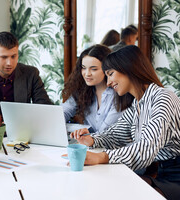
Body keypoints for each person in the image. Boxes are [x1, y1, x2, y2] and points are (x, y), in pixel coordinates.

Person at [71, 45, 180, 199]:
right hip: (161, 173)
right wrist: (92, 139)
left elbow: (145, 149)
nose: (108, 83)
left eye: (110, 74)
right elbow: (117, 133)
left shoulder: (163, 99)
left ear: (128, 69)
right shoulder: (138, 103)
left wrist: (102, 157)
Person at [61, 44, 125, 133]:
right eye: (83, 68)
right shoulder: (82, 90)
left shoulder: (119, 94)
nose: (87, 74)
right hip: (90, 144)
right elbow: (63, 111)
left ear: (107, 69)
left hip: (111, 145)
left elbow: (105, 132)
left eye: (93, 69)